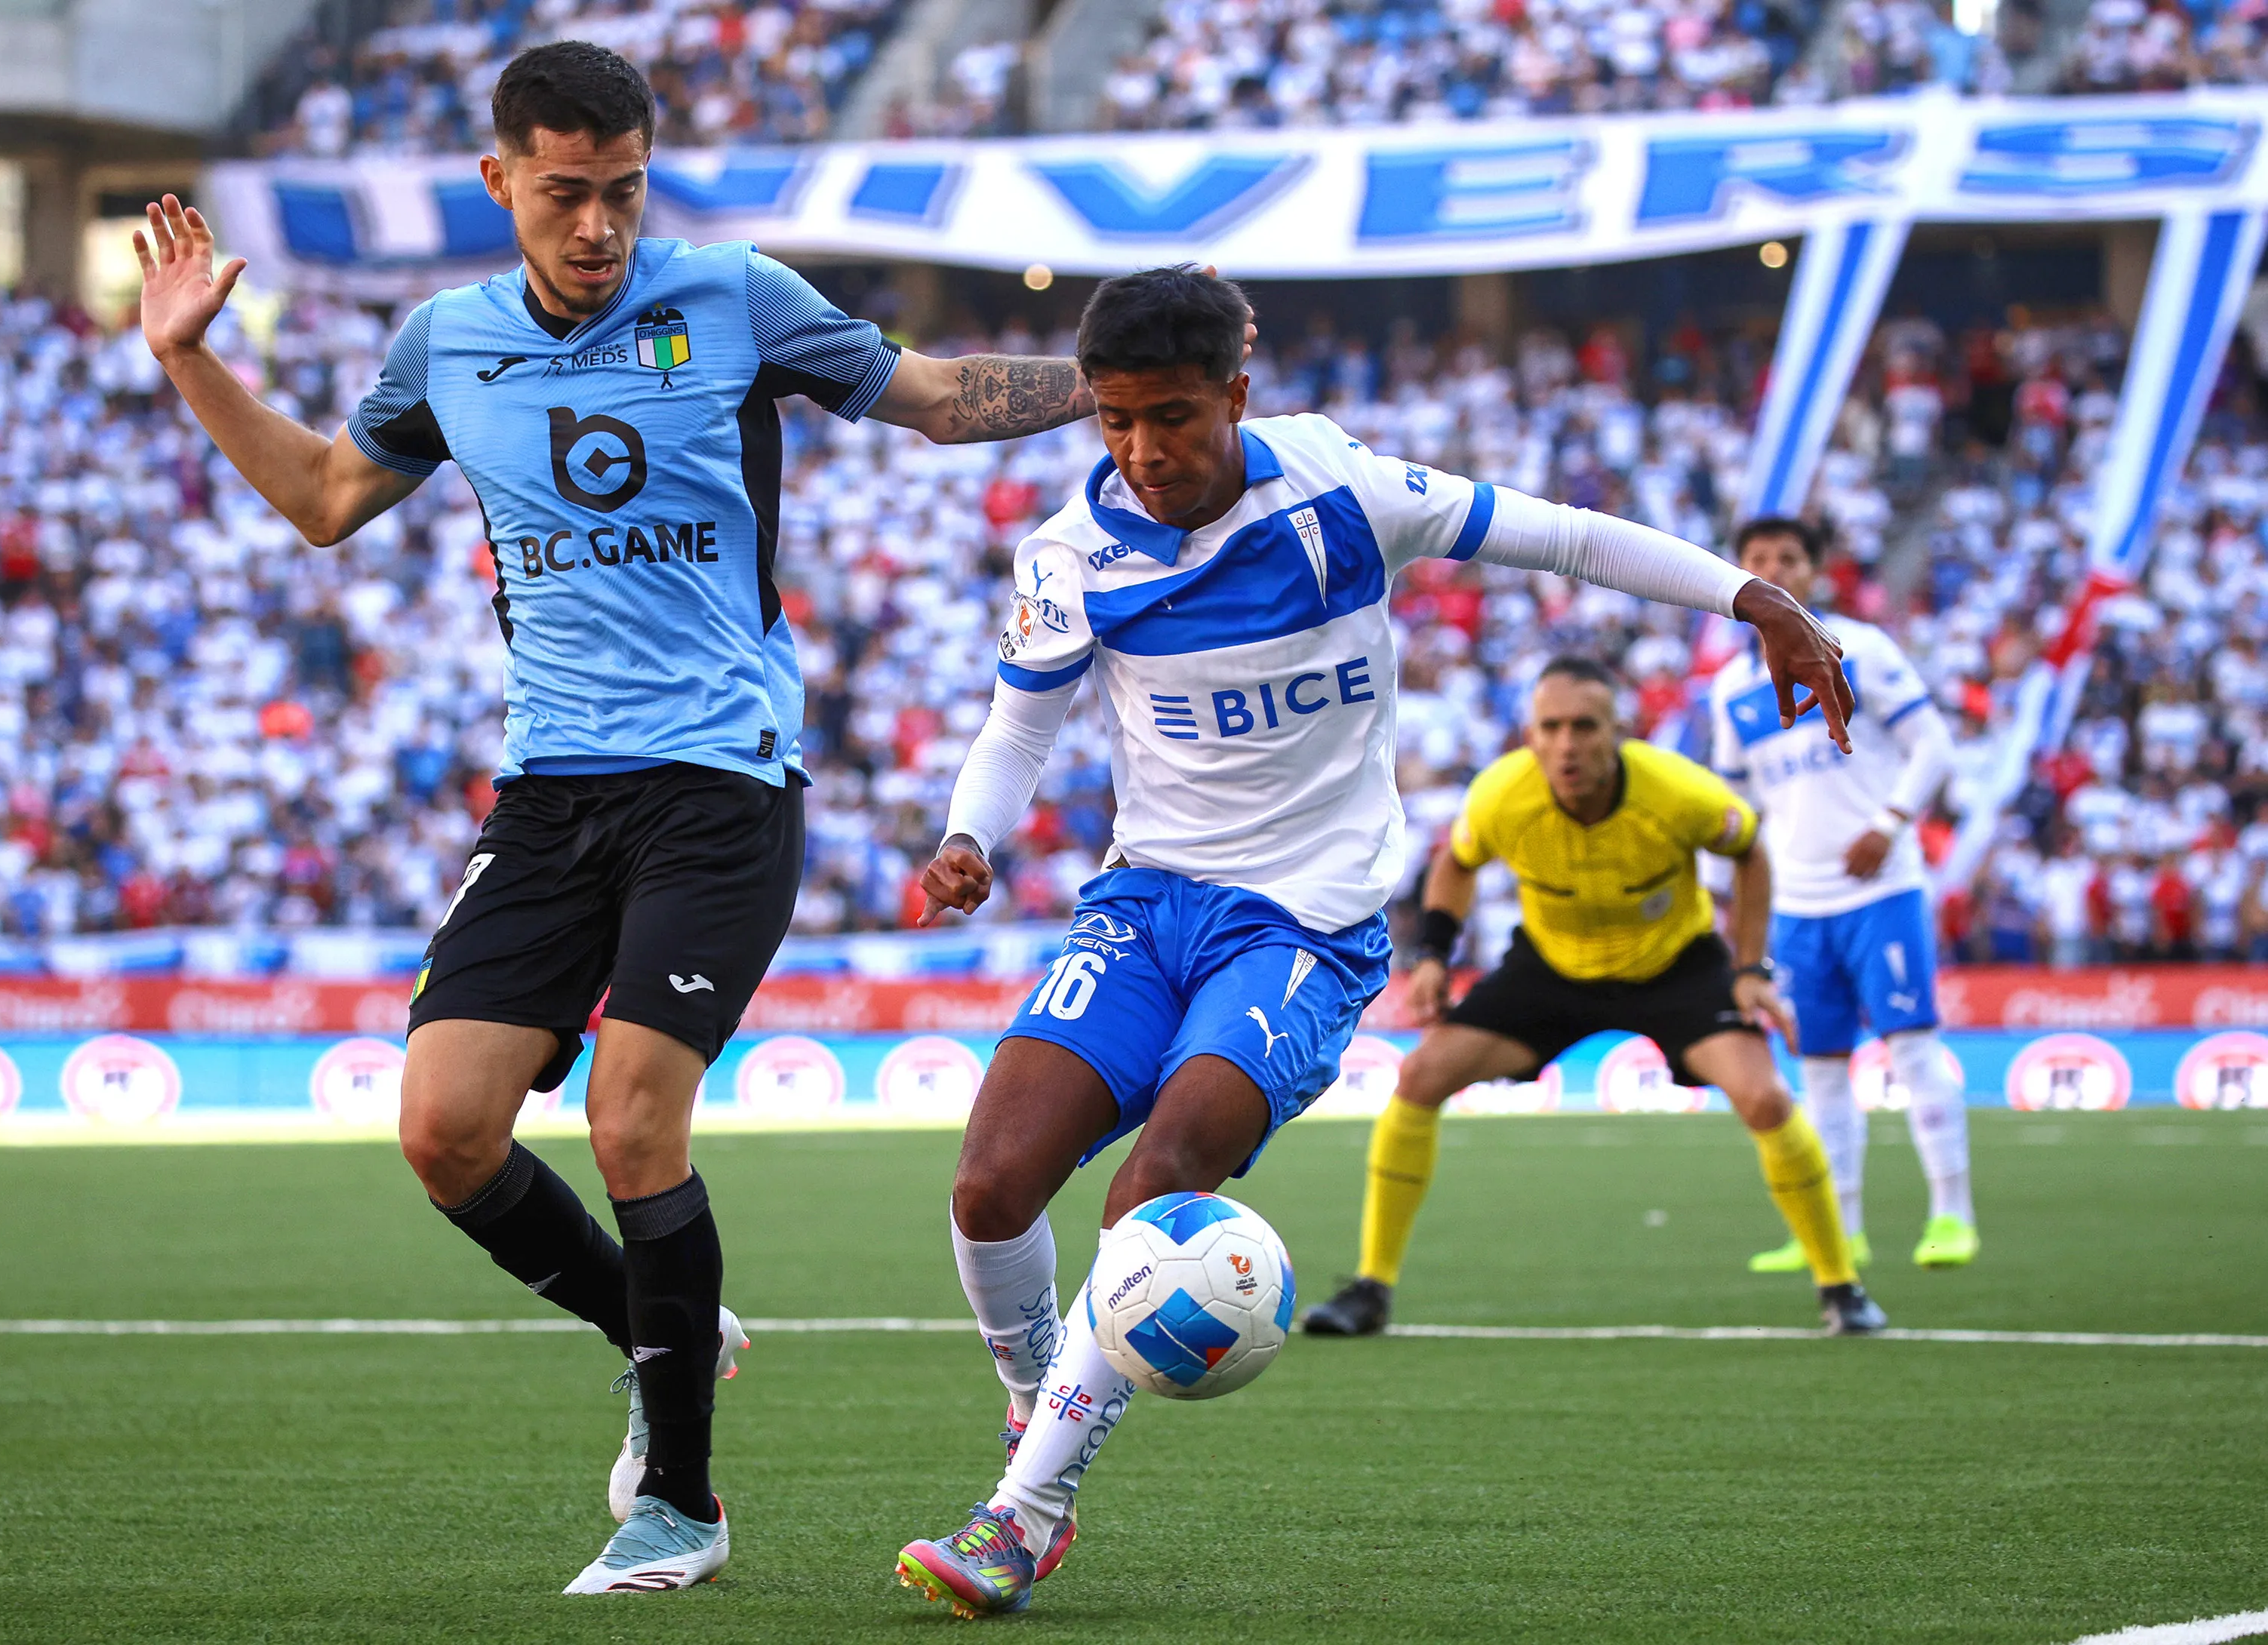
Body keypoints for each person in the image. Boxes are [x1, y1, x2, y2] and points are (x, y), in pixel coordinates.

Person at [133, 39, 1101, 1595]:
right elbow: (323, 499)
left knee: (633, 1117)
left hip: (720, 783)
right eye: (568, 194)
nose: (600, 228)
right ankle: (666, 1323)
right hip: (549, 790)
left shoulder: (733, 297)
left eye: (625, 193)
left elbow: (928, 397)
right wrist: (191, 357)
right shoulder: (445, 342)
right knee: (445, 1133)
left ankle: (683, 1510)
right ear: (500, 180)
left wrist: (1116, 380)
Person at [891, 266, 1853, 1619]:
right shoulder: (1068, 555)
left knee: (1157, 1183)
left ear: (1236, 394)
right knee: (991, 1189)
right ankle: (1035, 1393)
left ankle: (1025, 1513)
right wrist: (972, 836)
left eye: (1170, 417)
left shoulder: (1348, 499)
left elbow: (1569, 538)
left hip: (1304, 924)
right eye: (1113, 422)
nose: (1141, 451)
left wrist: (1760, 603)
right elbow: (1022, 724)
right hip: (1146, 902)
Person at [1300, 656, 1886, 1342]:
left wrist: (1751, 966)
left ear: (1619, 731)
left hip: (1677, 967)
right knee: (1421, 1077)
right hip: (1552, 969)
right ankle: (1371, 1287)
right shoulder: (1501, 795)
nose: (1567, 744)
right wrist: (1432, 955)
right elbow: (1455, 863)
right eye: (1551, 728)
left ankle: (1841, 1286)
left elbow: (1751, 851)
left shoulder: (1678, 791)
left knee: (1765, 1099)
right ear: (1530, 734)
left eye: (1585, 726)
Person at [1716, 518, 1977, 1272]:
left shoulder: (1861, 648)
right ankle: (1838, 1230)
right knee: (1822, 1068)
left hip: (1881, 889)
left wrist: (1891, 823)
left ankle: (1952, 1215)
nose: (1774, 570)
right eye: (1758, 561)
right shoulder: (1731, 688)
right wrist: (1723, 898)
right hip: (1795, 905)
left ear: (1815, 570)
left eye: (1787, 559)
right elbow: (1737, 802)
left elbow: (1933, 746)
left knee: (1912, 1047)